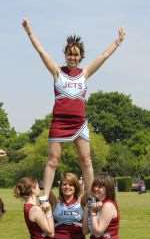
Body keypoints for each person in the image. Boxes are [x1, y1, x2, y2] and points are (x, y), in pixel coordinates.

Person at [22, 19, 126, 197]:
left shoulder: (84, 74)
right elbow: (41, 51)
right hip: (60, 123)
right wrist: (29, 32)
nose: (73, 57)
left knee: (86, 160)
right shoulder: (57, 71)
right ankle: (45, 196)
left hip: (79, 124)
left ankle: (91, 196)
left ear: (81, 56)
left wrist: (117, 42)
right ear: (65, 55)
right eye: (70, 54)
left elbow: (103, 57)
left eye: (76, 54)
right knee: (53, 161)